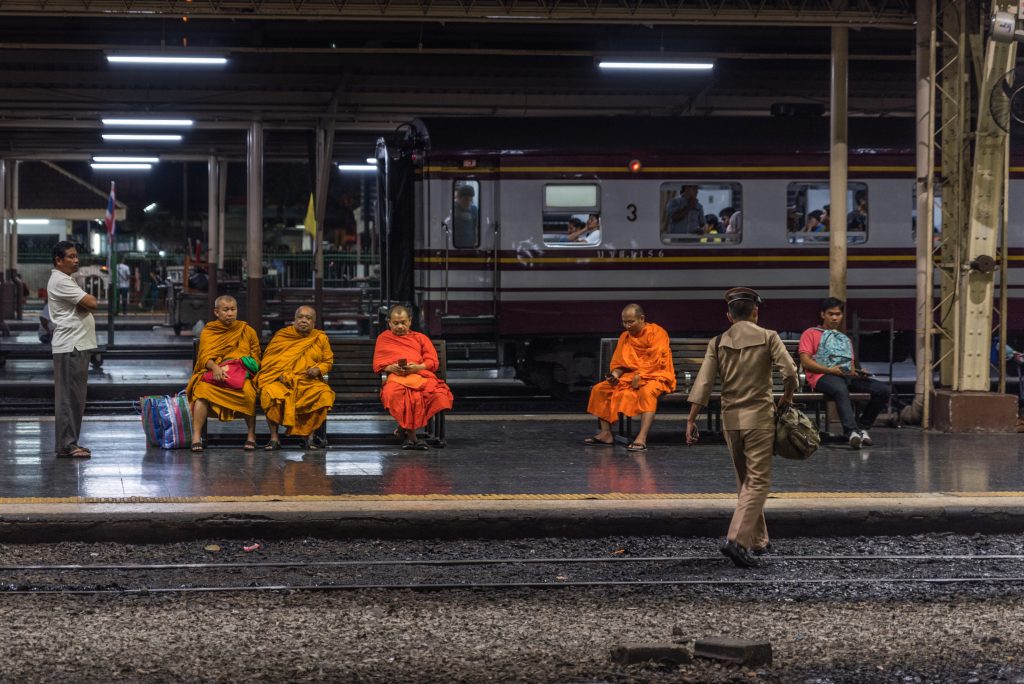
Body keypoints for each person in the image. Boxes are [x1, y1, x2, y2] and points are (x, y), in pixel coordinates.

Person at [686, 287, 798, 569]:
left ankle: (758, 540)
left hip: (731, 421)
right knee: (758, 482)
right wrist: (785, 398)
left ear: (729, 316)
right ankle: (736, 540)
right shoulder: (768, 336)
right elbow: (791, 373)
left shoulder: (718, 341)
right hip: (759, 419)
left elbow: (703, 384)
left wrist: (691, 419)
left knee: (744, 481)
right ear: (756, 312)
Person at [798, 297, 890, 449]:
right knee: (840, 388)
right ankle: (851, 432)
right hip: (821, 376)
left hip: (845, 376)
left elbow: (850, 365)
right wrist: (830, 370)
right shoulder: (811, 333)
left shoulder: (844, 339)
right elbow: (806, 362)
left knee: (882, 390)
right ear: (823, 315)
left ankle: (862, 428)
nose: (834, 317)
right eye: (830, 314)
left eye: (838, 314)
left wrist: (860, 372)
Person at [584, 304, 676, 451]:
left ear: (642, 318)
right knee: (599, 389)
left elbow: (657, 360)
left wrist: (640, 376)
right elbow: (620, 363)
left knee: (647, 393)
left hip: (656, 376)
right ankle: (606, 433)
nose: (627, 326)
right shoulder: (625, 337)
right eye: (624, 322)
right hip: (630, 377)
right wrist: (614, 376)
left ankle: (641, 437)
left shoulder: (657, 333)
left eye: (630, 322)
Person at [186, 295, 262, 452]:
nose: (230, 313)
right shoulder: (209, 331)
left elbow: (256, 359)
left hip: (240, 375)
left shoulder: (247, 331)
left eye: (233, 309)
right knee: (201, 392)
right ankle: (196, 436)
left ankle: (251, 436)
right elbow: (204, 357)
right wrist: (215, 367)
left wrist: (241, 365)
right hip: (216, 374)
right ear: (216, 312)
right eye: (225, 310)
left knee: (249, 392)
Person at [373, 304, 453, 450]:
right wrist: (390, 367)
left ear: (410, 321)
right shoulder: (383, 339)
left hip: (418, 376)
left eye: (403, 322)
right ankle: (413, 438)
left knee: (437, 395)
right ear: (389, 322)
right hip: (395, 379)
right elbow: (378, 364)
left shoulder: (420, 338)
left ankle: (404, 431)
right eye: (395, 323)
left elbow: (432, 361)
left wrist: (418, 367)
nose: (400, 326)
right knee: (396, 394)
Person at [255, 305, 336, 450]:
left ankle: (309, 437)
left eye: (308, 318)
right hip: (282, 381)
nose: (304, 321)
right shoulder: (282, 335)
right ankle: (274, 438)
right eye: (300, 317)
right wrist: (278, 375)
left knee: (323, 394)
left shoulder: (320, 338)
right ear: (294, 320)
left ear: (314, 322)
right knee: (269, 392)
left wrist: (318, 369)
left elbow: (328, 361)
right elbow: (269, 361)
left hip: (308, 381)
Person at [47, 240, 99, 459]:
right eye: (71, 256)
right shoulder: (61, 281)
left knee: (75, 398)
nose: (76, 260)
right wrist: (85, 302)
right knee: (69, 398)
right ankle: (67, 445)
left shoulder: (66, 280)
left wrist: (84, 303)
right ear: (59, 261)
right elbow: (92, 302)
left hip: (76, 344)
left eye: (77, 256)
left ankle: (71, 442)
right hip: (71, 346)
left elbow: (85, 303)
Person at [451, 184, 479, 248]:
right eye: (466, 199)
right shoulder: (452, 208)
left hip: (470, 246)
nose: (468, 202)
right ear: (458, 198)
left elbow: (477, 227)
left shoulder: (474, 209)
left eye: (470, 200)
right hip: (455, 246)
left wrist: (477, 242)